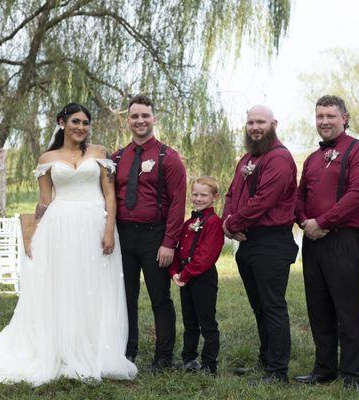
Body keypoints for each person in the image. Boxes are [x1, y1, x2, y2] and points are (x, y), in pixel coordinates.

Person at [0, 103, 137, 385]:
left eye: (86, 123)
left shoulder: (99, 153)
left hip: (95, 226)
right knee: (65, 286)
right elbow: (44, 202)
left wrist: (110, 229)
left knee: (95, 287)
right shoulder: (47, 158)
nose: (81, 127)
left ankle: (97, 349)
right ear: (62, 123)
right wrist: (34, 235)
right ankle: (63, 347)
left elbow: (110, 194)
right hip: (60, 227)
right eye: (75, 121)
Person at [293, 95, 359, 392]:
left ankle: (353, 374)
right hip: (312, 241)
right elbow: (299, 196)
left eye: (330, 116)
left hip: (343, 240)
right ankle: (324, 368)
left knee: (348, 309)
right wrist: (304, 222)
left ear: (344, 117)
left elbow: (357, 195)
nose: (324, 121)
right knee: (318, 306)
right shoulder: (312, 159)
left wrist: (322, 222)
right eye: (319, 116)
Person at [223, 105, 299, 384]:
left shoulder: (279, 158)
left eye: (261, 122)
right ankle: (266, 360)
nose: (255, 127)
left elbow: (264, 201)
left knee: (272, 306)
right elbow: (232, 193)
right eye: (251, 122)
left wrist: (233, 224)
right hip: (249, 242)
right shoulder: (247, 158)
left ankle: (278, 372)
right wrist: (226, 220)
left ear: (274, 124)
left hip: (271, 242)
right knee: (259, 307)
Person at [112, 95, 186, 372]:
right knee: (125, 296)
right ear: (128, 120)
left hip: (155, 237)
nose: (140, 120)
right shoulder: (117, 157)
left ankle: (163, 357)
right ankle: (127, 351)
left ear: (154, 119)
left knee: (159, 297)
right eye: (135, 116)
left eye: (145, 115)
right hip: (124, 236)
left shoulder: (169, 157)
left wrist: (169, 243)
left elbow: (178, 204)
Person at [168, 176, 224, 375]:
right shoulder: (188, 222)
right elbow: (178, 249)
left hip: (203, 278)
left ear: (215, 197)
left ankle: (209, 364)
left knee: (206, 321)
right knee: (189, 320)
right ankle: (189, 358)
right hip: (186, 278)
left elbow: (205, 256)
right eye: (195, 194)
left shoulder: (214, 223)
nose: (198, 198)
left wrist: (185, 274)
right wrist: (174, 271)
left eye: (203, 195)